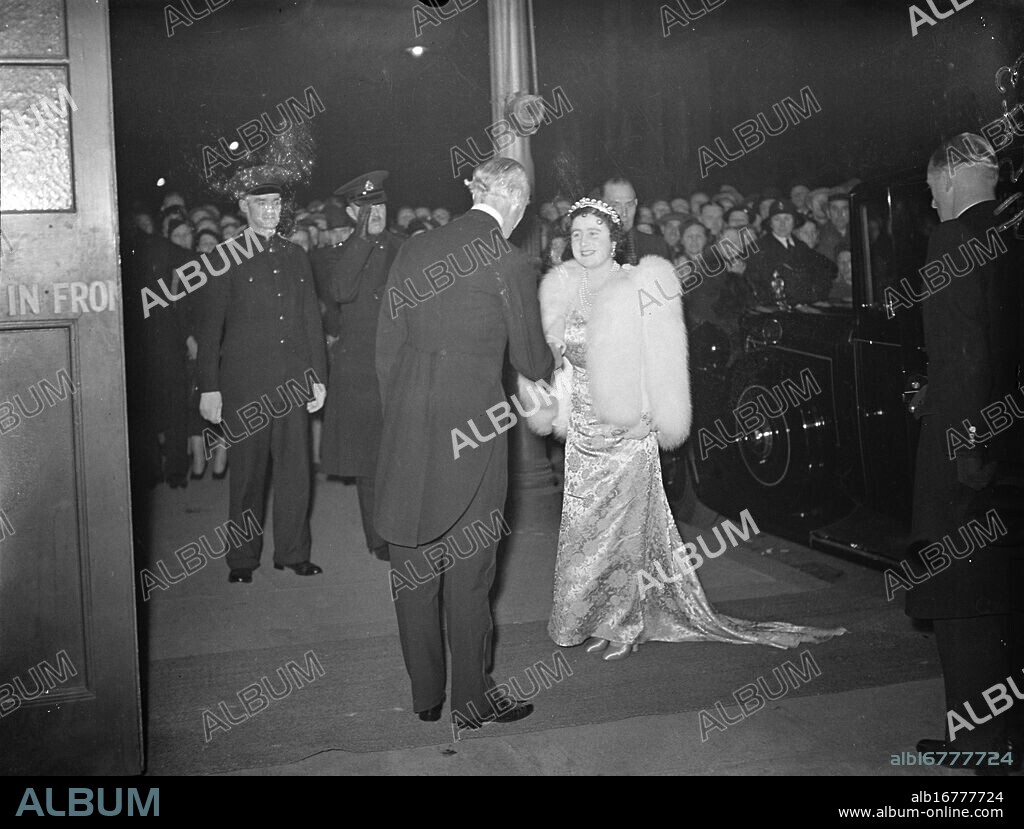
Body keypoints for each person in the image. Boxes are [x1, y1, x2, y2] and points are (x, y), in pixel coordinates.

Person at [523, 198, 845, 658]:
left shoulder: (641, 283)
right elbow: (557, 365)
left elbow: (663, 357)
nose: (584, 242)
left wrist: (652, 416)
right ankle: (591, 616)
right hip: (582, 430)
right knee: (583, 528)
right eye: (576, 234)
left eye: (594, 233)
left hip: (628, 426)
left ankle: (627, 623)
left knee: (627, 529)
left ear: (615, 240)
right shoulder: (561, 290)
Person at [374, 157, 554, 729]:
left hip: (409, 422)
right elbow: (530, 359)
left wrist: (405, 407)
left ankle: (426, 694)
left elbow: (386, 345)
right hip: (473, 431)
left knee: (414, 560)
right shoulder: (510, 259)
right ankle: (472, 700)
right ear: (516, 203)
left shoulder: (415, 247)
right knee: (471, 570)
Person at [904, 133, 1023, 772]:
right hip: (1013, 442)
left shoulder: (953, 241)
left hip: (966, 447)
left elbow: (964, 352)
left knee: (962, 596)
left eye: (930, 191)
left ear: (949, 176)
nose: (932, 202)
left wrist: (968, 440)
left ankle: (975, 750)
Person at [196, 178, 327, 583]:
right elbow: (209, 331)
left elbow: (310, 321)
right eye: (261, 203)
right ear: (244, 206)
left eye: (275, 203)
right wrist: (209, 388)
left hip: (291, 383)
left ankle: (293, 552)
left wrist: (318, 378)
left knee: (295, 473)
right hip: (245, 386)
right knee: (248, 477)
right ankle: (242, 560)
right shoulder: (224, 257)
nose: (270, 210)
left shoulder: (295, 255)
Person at [312, 171, 404, 561]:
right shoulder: (336, 254)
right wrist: (363, 238)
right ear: (352, 212)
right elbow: (341, 290)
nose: (376, 213)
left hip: (399, 364)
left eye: (380, 205)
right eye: (366, 208)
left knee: (402, 453)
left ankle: (404, 528)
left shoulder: (404, 248)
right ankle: (378, 537)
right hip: (360, 373)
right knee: (368, 461)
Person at [745, 199, 832, 305]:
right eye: (777, 219)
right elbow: (757, 285)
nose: (782, 224)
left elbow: (827, 270)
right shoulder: (758, 248)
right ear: (770, 223)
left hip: (807, 307)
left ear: (794, 222)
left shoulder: (802, 246)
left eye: (787, 218)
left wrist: (817, 298)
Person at [601, 177, 669, 264]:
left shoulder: (656, 246)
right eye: (616, 205)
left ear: (636, 204)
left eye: (629, 204)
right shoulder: (591, 247)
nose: (624, 213)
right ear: (602, 206)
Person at [817, 192, 851, 262]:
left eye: (844, 209)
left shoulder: (861, 231)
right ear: (828, 213)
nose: (840, 214)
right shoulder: (820, 235)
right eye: (835, 209)